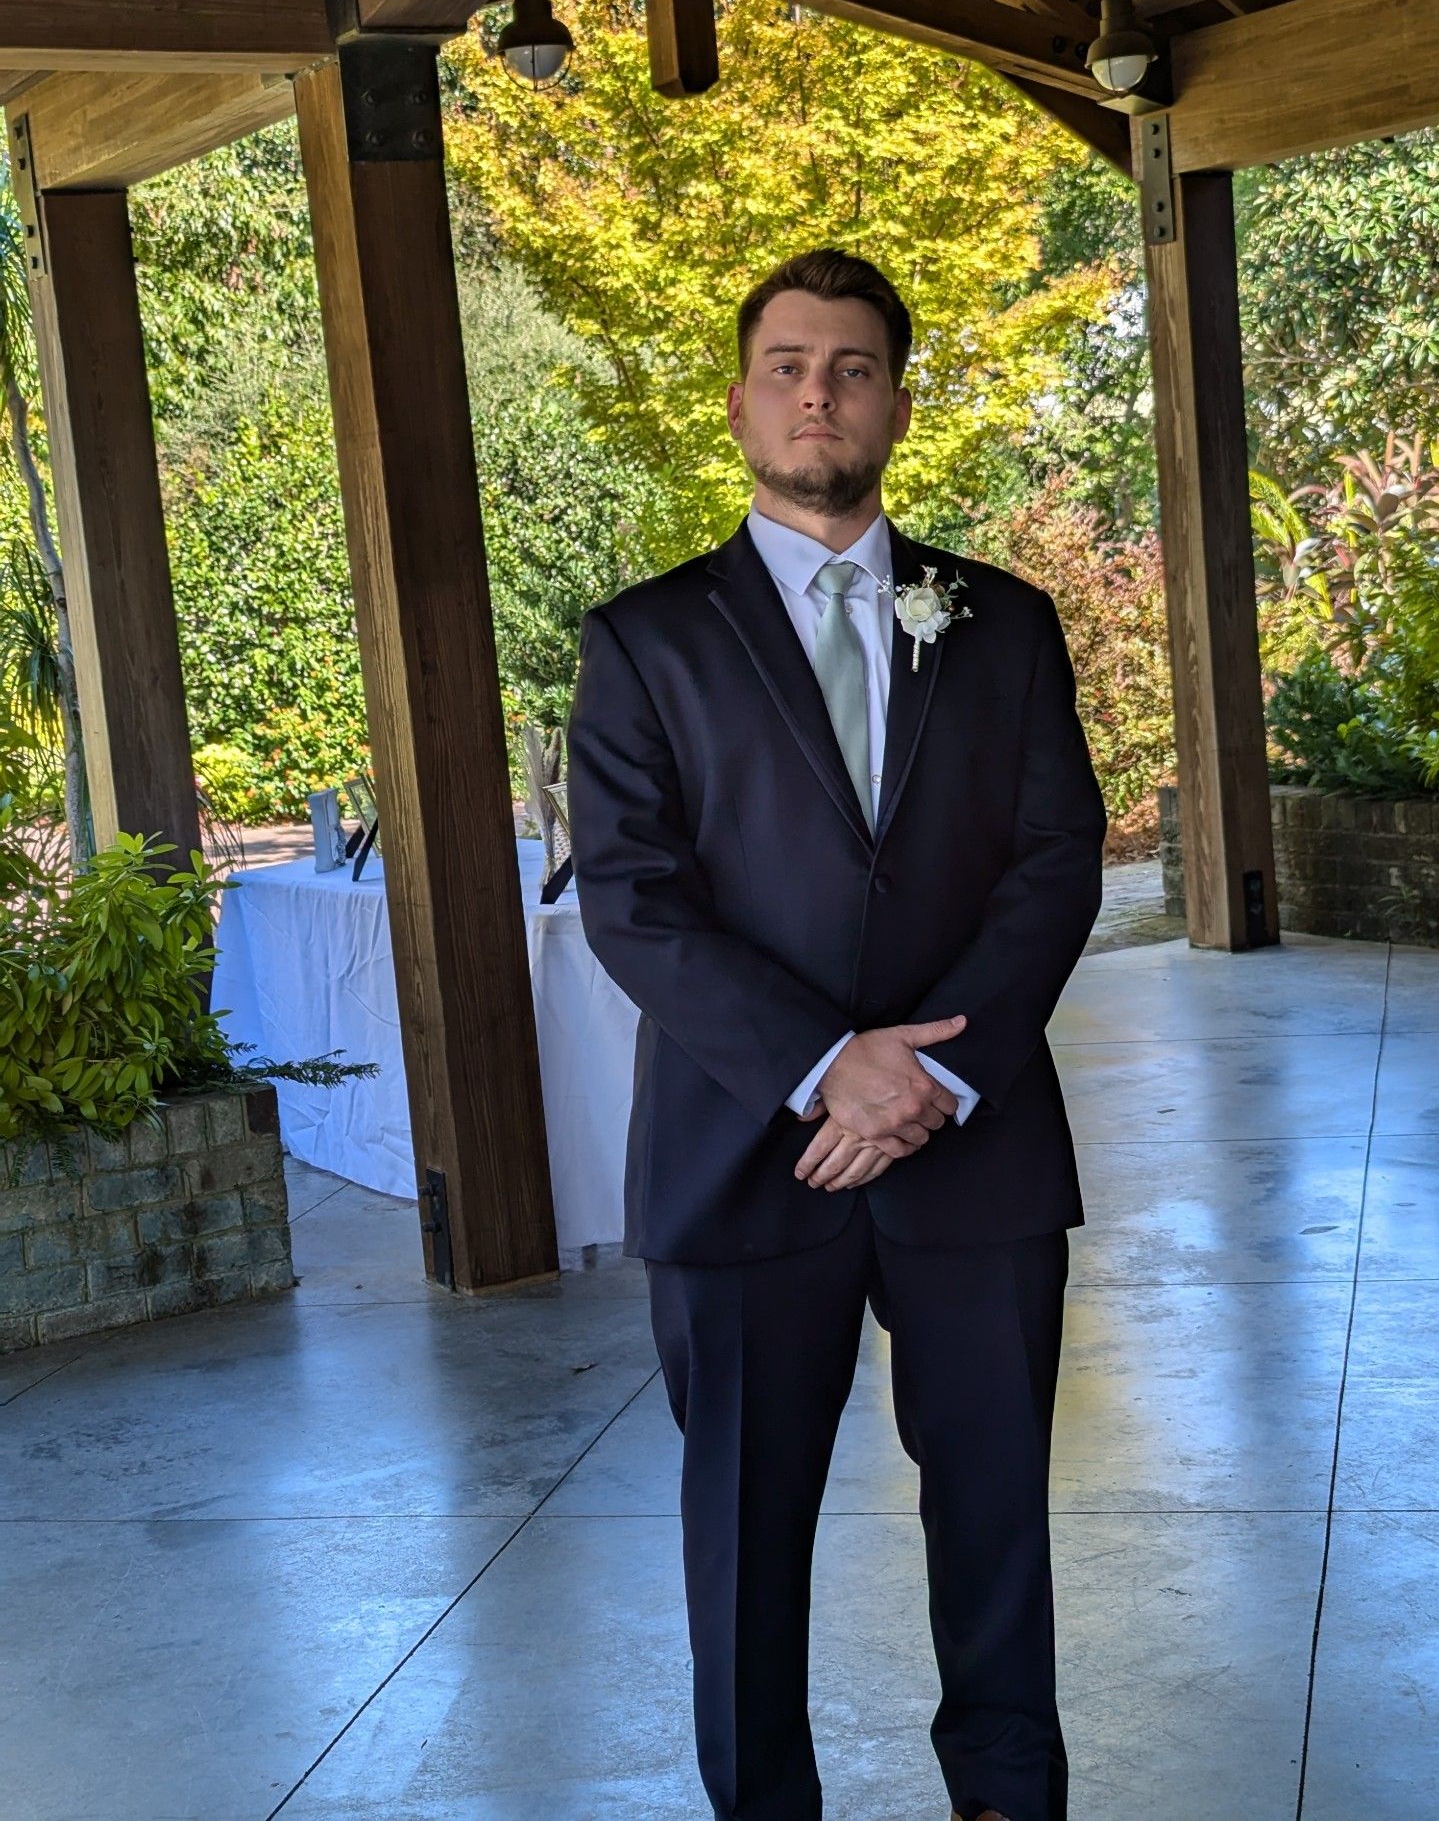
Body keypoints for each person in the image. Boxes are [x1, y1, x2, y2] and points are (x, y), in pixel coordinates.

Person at [565, 247, 1106, 1821]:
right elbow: (634, 897)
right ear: (740, 399)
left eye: (852, 366)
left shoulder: (1002, 623)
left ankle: (1007, 1799)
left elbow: (1054, 860)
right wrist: (830, 1066)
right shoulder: (643, 642)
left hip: (974, 1152)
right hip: (746, 1160)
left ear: (896, 401)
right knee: (741, 1527)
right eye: (789, 364)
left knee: (998, 1510)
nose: (819, 392)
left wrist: (932, 1070)